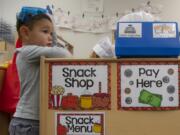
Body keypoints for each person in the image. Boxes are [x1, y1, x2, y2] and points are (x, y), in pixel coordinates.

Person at [9, 7, 71, 135]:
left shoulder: (39, 55)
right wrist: (54, 35)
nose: (50, 37)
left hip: (33, 120)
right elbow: (64, 54)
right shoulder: (26, 52)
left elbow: (56, 50)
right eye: (45, 32)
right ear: (25, 32)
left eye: (51, 33)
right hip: (27, 123)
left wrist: (51, 31)